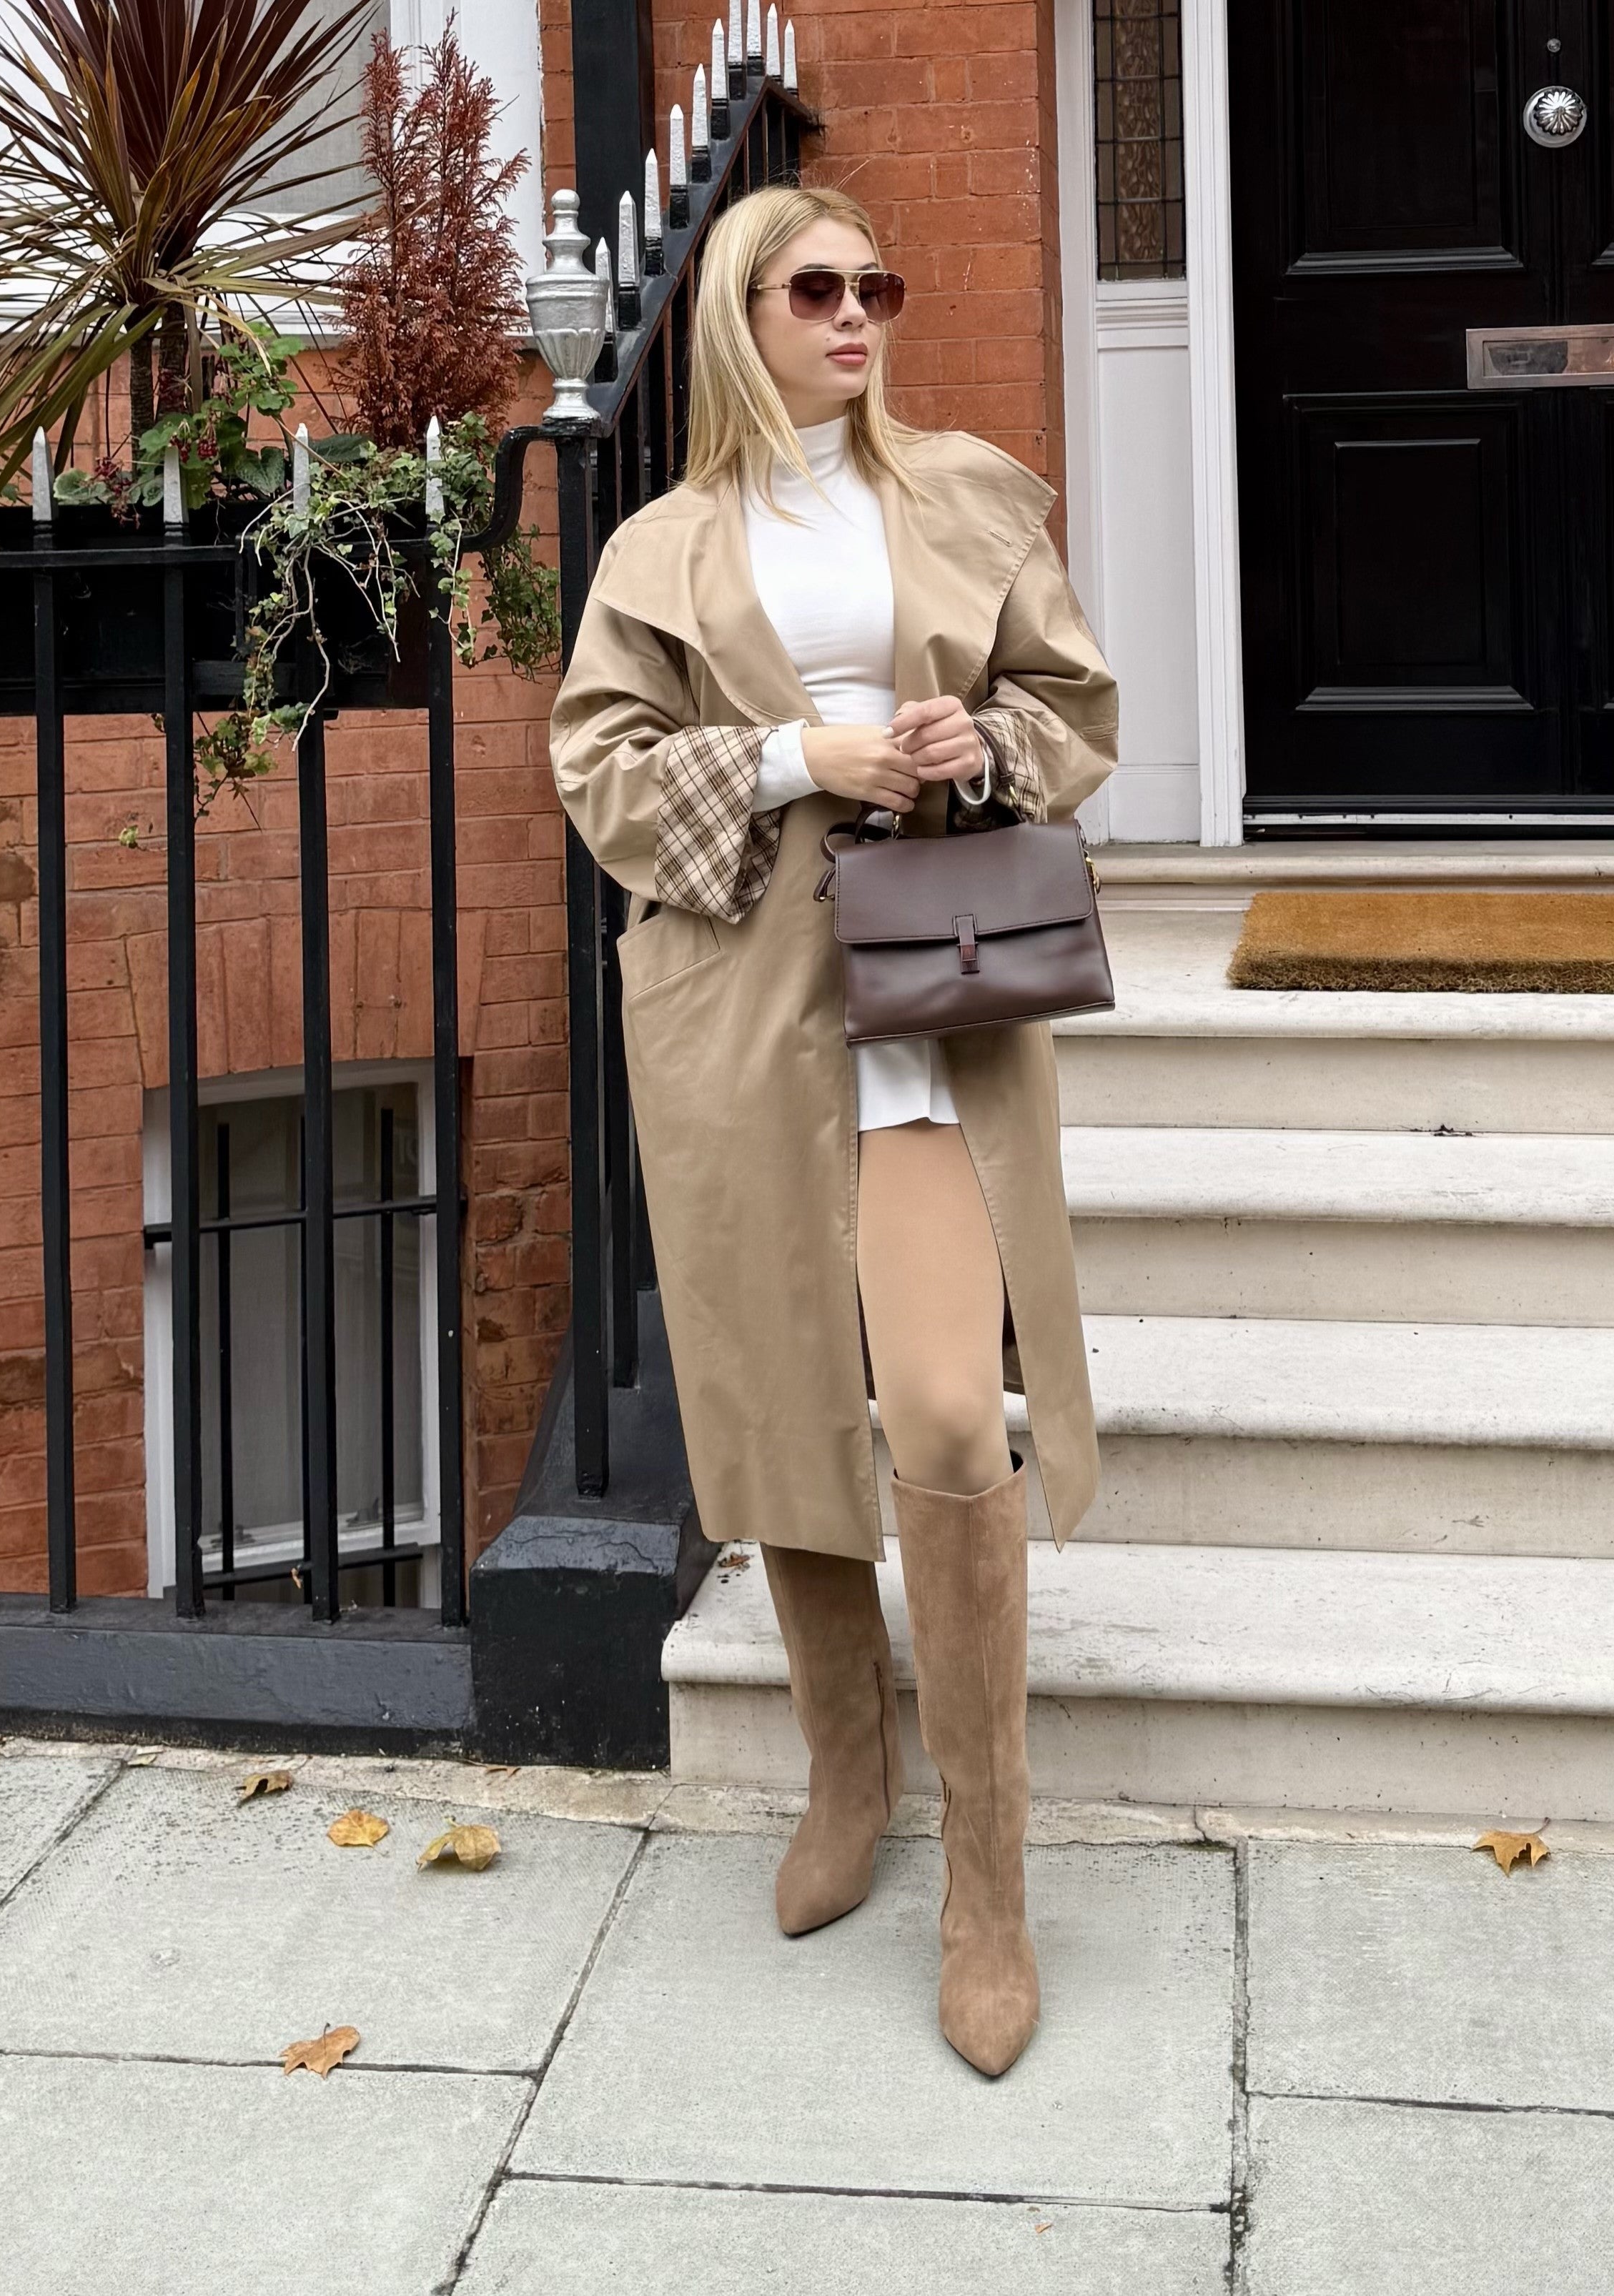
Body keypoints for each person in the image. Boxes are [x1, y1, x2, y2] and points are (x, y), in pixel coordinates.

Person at [547, 182, 1118, 2077]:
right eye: (819, 287)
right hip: (745, 1011)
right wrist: (810, 753)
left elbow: (1070, 703)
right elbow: (601, 770)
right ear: (742, 312)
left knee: (952, 1409)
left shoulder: (961, 490)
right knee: (788, 1393)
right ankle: (845, 1775)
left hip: (936, 992)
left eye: (881, 281)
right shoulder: (663, 546)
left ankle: (993, 1881)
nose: (860, 312)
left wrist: (980, 749)